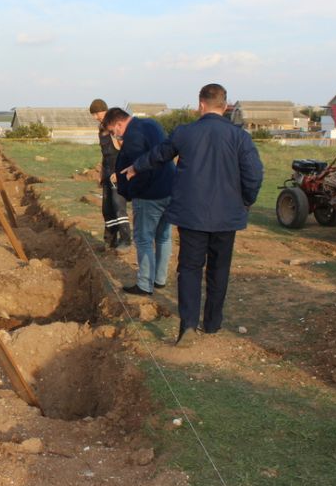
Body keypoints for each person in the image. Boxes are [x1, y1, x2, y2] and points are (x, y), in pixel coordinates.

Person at [122, 84, 263, 344]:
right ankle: (212, 323)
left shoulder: (185, 133)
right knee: (219, 269)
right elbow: (254, 174)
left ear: (201, 105)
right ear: (224, 105)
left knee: (189, 268)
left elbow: (159, 155)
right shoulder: (239, 137)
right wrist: (245, 201)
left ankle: (188, 326)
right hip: (226, 217)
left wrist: (136, 167)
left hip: (192, 216)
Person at [101, 107, 174, 296]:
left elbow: (139, 170)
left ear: (119, 123)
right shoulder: (151, 124)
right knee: (163, 236)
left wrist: (133, 193)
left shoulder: (133, 136)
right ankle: (159, 279)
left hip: (150, 195)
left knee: (143, 239)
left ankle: (144, 285)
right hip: (169, 188)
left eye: (112, 131)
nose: (114, 135)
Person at [89, 99, 131, 250]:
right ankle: (110, 241)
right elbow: (104, 155)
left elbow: (125, 151)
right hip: (107, 171)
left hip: (117, 172)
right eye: (93, 114)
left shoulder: (114, 129)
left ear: (104, 111)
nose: (95, 117)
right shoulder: (101, 129)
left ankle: (125, 240)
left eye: (96, 113)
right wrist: (102, 173)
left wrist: (119, 172)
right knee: (107, 209)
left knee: (118, 206)